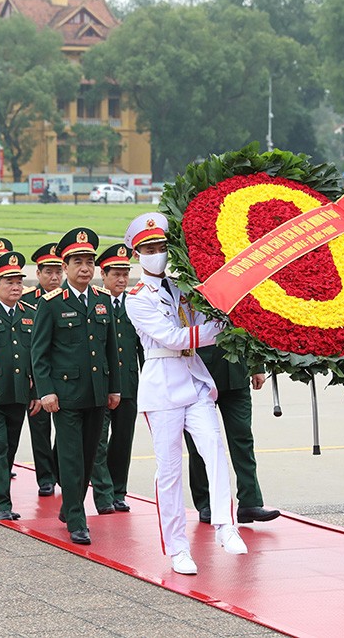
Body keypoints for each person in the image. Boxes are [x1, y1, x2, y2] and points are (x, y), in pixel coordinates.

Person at [124, 213, 247, 575]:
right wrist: (218, 327)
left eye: (162, 247)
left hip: (193, 381)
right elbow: (175, 338)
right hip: (162, 385)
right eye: (149, 249)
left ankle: (226, 525)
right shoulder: (137, 299)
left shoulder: (181, 289)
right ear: (136, 253)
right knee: (170, 472)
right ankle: (178, 548)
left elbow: (194, 326)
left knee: (214, 450)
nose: (157, 254)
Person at [31, 227, 120, 546]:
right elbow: (38, 352)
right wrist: (46, 390)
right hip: (65, 396)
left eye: (89, 262)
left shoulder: (101, 300)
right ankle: (77, 519)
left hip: (97, 392)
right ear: (65, 267)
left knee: (89, 454)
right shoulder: (53, 302)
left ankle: (69, 507)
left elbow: (112, 348)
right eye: (77, 262)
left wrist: (115, 388)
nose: (85, 268)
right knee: (70, 457)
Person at [185, 351, 280, 526]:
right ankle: (206, 503)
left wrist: (257, 366)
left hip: (237, 371)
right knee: (200, 443)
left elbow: (251, 327)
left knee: (243, 438)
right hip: (200, 375)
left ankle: (249, 502)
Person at [0, 251, 38, 521]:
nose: (16, 287)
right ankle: (3, 504)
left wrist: (36, 392)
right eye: (9, 282)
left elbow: (38, 357)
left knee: (10, 448)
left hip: (19, 393)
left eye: (18, 282)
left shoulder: (31, 314)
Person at [90, 243, 142, 514]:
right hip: (101, 385)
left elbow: (144, 348)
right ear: (104, 274)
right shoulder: (95, 302)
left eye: (125, 274)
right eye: (116, 274)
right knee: (98, 441)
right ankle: (103, 493)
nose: (122, 279)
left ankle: (118, 490)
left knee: (122, 439)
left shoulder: (134, 303)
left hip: (129, 384)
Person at [23, 243, 63, 496]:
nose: (54, 277)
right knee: (40, 430)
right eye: (48, 272)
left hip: (65, 376)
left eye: (58, 271)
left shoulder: (68, 299)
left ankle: (58, 469)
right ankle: (45, 477)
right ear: (38, 274)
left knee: (66, 429)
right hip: (36, 377)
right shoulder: (27, 301)